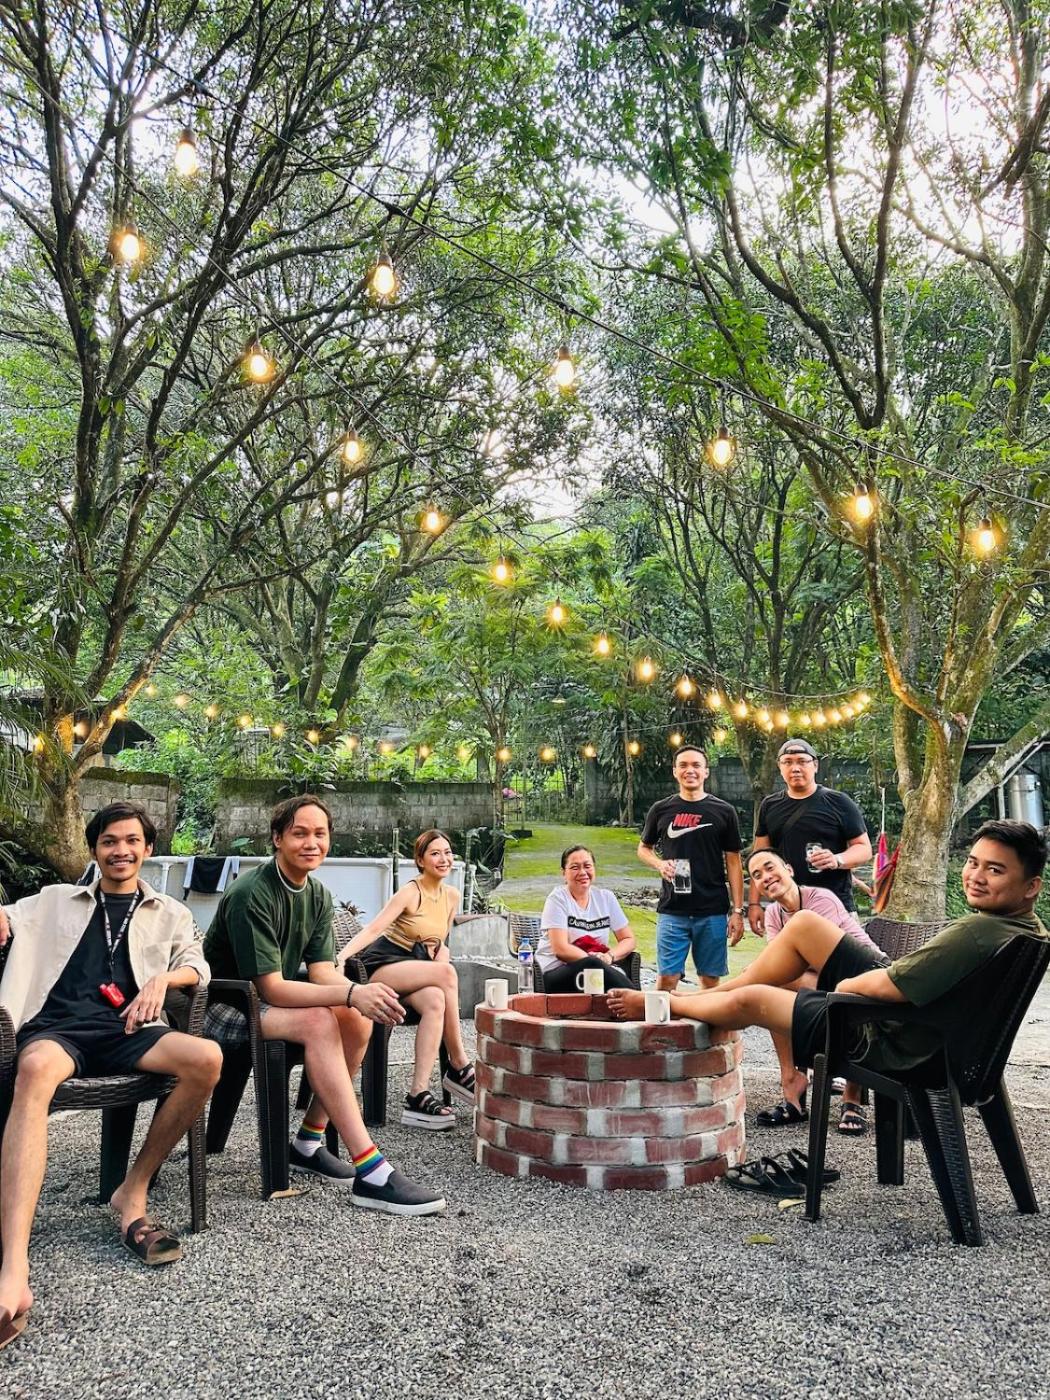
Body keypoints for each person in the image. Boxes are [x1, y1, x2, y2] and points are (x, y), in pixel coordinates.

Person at [610, 822, 1047, 1119]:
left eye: (994, 870)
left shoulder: (979, 931)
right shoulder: (1022, 929)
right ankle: (694, 997)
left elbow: (889, 987)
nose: (976, 876)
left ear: (1031, 886)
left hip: (889, 1035)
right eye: (973, 862)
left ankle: (670, 1003)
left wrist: (843, 985)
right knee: (803, 926)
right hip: (915, 1025)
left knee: (754, 999)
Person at [0, 802, 223, 1349]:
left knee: (207, 1058)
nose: (120, 851)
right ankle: (14, 1265)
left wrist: (163, 980)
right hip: (60, 1030)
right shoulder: (53, 899)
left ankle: (133, 1189)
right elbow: (6, 916)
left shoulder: (171, 912)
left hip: (129, 1030)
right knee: (34, 1068)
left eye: (131, 841)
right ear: (94, 850)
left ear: (148, 849)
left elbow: (199, 966)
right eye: (108, 841)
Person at [204, 795, 445, 1215]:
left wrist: (361, 996)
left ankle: (308, 1141)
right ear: (277, 838)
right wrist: (352, 993)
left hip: (265, 1000)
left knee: (355, 1018)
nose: (311, 843)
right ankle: (371, 1170)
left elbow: (321, 972)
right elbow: (273, 989)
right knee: (319, 1021)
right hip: (225, 1006)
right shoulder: (252, 893)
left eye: (320, 834)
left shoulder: (316, 893)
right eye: (299, 833)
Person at [338, 830, 476, 1131]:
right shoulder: (411, 892)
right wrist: (342, 956)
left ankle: (417, 1094)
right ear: (420, 860)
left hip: (416, 967)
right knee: (447, 973)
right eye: (435, 853)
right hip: (383, 966)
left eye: (447, 852)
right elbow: (374, 929)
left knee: (436, 999)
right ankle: (459, 1064)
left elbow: (440, 941)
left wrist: (441, 954)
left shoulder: (451, 896)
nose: (444, 859)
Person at [747, 847, 880, 1133]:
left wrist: (781, 970)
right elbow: (780, 966)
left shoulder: (821, 898)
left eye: (769, 867)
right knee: (771, 986)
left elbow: (825, 960)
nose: (765, 877)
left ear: (789, 869)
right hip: (819, 982)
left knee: (771, 982)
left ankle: (852, 1096)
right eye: (756, 875)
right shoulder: (773, 914)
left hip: (865, 978)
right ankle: (791, 1082)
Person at [637, 745, 745, 991]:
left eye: (696, 765)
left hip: (712, 910)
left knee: (710, 981)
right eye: (683, 765)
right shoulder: (661, 809)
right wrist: (659, 863)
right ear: (675, 771)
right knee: (667, 979)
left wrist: (738, 911)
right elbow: (643, 848)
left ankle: (706, 1019)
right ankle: (664, 1018)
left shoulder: (724, 811)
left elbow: (734, 862)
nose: (690, 770)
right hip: (673, 908)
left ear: (706, 771)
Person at [749, 739, 872, 929]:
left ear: (815, 765)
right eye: (787, 762)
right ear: (780, 767)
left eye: (802, 761)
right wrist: (754, 904)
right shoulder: (769, 805)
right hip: (789, 907)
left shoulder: (838, 802)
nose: (795, 768)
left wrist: (837, 859)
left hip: (834, 905)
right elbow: (759, 858)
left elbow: (864, 849)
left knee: (842, 950)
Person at [536, 846, 638, 992]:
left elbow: (628, 939)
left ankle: (635, 1000)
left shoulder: (606, 898)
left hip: (596, 970)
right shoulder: (557, 900)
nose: (582, 872)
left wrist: (609, 957)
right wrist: (595, 961)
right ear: (564, 873)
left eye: (587, 866)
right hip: (556, 972)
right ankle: (640, 1000)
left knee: (597, 970)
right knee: (593, 966)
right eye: (575, 867)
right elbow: (561, 949)